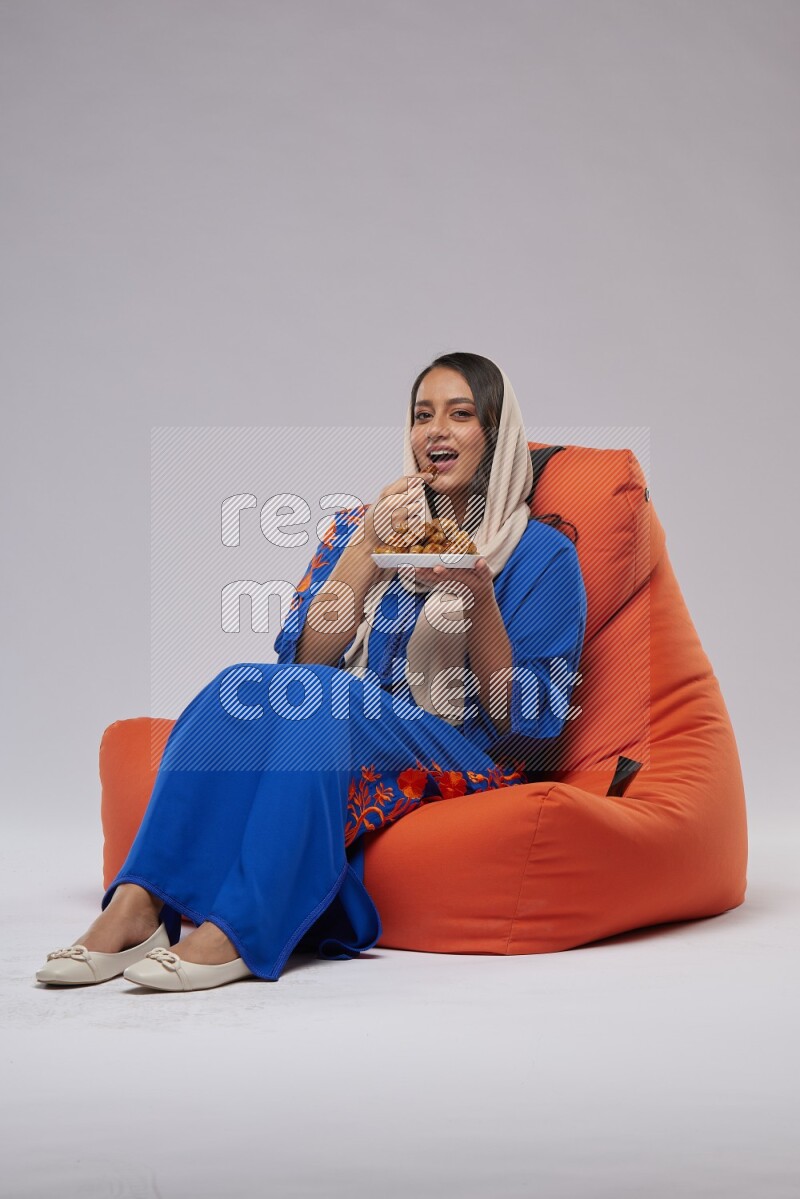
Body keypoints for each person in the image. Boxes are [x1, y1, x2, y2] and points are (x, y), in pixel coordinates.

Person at [35, 351, 587, 992]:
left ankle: (245, 927)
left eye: (460, 415)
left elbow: (529, 721)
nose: (435, 431)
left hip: (469, 750)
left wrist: (479, 590)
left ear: (496, 434)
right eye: (421, 415)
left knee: (325, 702)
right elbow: (306, 661)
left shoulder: (545, 553)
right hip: (351, 717)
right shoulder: (366, 525)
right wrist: (364, 551)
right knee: (241, 685)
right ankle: (139, 906)